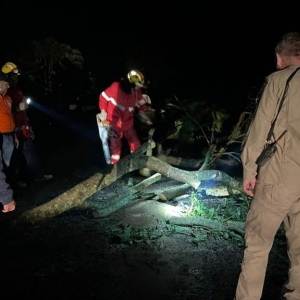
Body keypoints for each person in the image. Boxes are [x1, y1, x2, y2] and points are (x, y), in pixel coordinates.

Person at [235, 32, 300, 300]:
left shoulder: (280, 80)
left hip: (280, 174)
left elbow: (261, 126)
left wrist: (249, 169)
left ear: (279, 57)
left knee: (258, 246)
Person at [1, 62, 53, 187]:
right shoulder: (6, 93)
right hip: (10, 130)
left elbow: (20, 110)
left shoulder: (16, 90)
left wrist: (28, 124)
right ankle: (15, 181)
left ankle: (38, 175)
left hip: (21, 127)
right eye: (13, 75)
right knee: (13, 157)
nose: (15, 78)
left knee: (29, 151)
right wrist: (18, 109)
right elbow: (6, 113)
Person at [98, 69, 151, 176]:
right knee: (115, 146)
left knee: (135, 142)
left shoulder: (137, 92)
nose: (137, 89)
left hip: (128, 123)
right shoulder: (115, 87)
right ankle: (114, 168)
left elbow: (140, 104)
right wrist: (103, 112)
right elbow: (103, 97)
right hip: (114, 123)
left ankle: (137, 165)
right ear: (129, 84)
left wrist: (144, 114)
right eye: (136, 86)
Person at [0, 72, 16, 213]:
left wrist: (14, 135)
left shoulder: (8, 98)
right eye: (6, 83)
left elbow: (10, 116)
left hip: (9, 135)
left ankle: (6, 190)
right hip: (0, 134)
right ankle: (5, 197)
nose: (8, 85)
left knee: (6, 165)